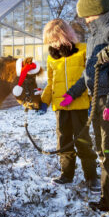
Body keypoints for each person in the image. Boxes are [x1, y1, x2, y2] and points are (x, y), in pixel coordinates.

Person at [63, 0, 109, 217]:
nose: (84, 20)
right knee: (103, 154)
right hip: (96, 101)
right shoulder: (95, 33)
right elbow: (91, 73)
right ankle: (107, 199)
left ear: (95, 10)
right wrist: (73, 92)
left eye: (86, 14)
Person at [39, 18, 99, 192]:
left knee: (82, 141)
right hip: (60, 107)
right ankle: (67, 175)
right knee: (63, 140)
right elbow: (50, 82)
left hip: (79, 105)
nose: (54, 44)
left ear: (65, 34)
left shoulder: (83, 50)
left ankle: (91, 176)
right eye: (50, 41)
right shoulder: (52, 58)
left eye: (55, 39)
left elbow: (87, 78)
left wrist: (74, 95)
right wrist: (44, 101)